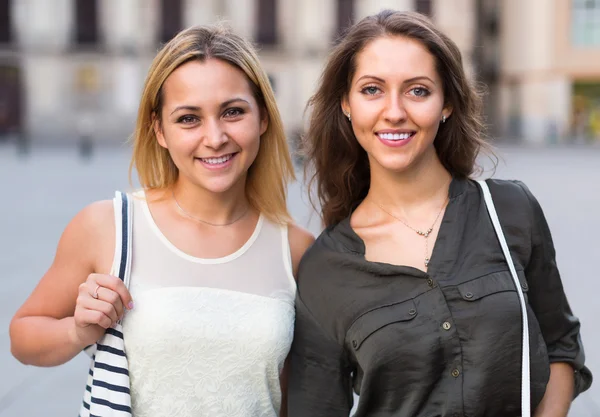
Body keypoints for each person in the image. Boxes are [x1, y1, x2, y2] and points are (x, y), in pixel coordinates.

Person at [289, 10, 592, 417]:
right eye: (372, 90)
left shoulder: (509, 211)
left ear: (446, 103)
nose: (394, 111)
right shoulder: (325, 268)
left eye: (417, 91)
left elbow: (561, 346)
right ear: (346, 104)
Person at [10, 24, 314, 417]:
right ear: (160, 130)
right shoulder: (108, 228)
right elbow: (23, 336)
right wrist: (77, 331)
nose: (215, 136)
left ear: (263, 118)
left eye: (233, 112)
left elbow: (292, 396)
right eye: (189, 119)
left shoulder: (295, 249)